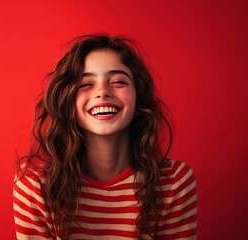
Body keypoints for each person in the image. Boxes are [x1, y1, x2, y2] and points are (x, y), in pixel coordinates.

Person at [13, 34, 197, 239]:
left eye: (118, 81)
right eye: (85, 84)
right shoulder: (35, 185)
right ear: (68, 104)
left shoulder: (174, 182)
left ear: (139, 100)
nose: (102, 92)